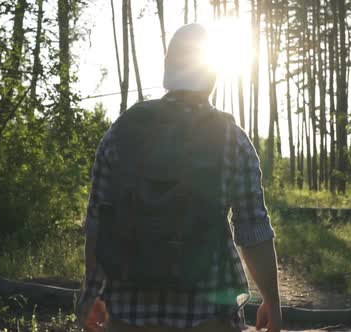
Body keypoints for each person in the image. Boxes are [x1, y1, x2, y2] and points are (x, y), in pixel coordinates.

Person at [77, 23, 281, 332]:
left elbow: (98, 223)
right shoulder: (231, 140)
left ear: (167, 71)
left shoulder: (121, 132)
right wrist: (272, 300)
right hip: (208, 315)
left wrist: (92, 292)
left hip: (128, 313)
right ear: (212, 77)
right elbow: (253, 232)